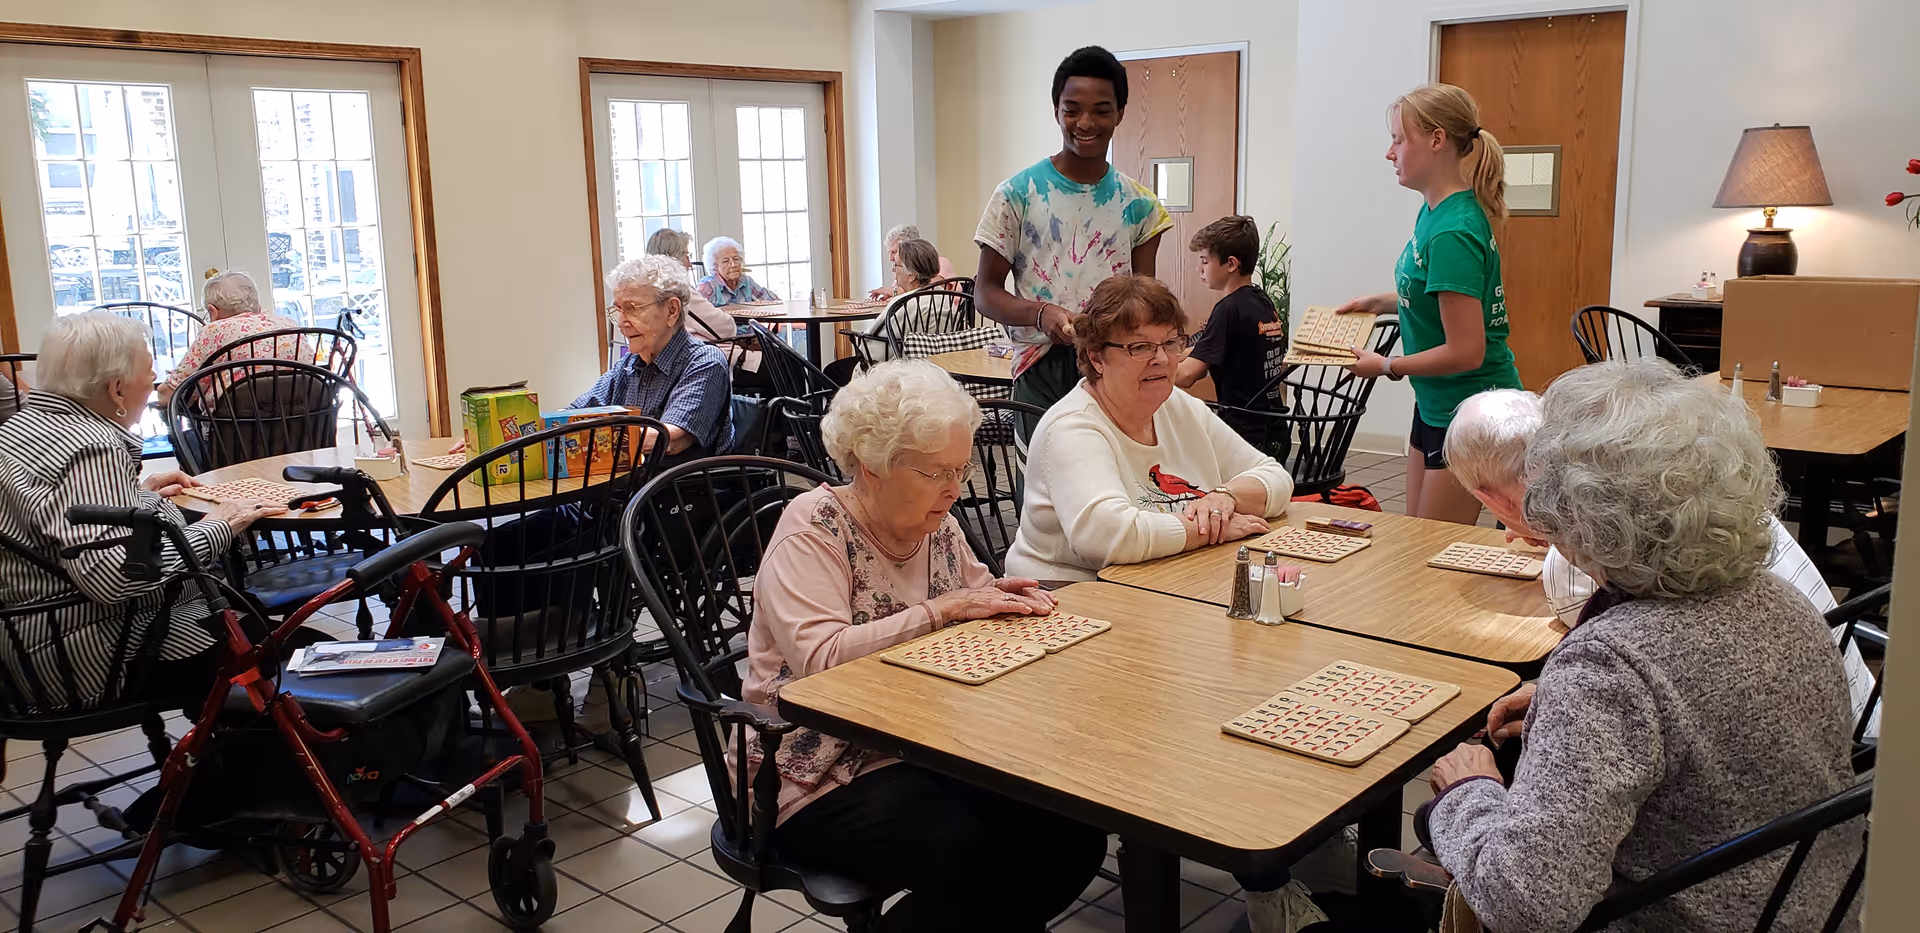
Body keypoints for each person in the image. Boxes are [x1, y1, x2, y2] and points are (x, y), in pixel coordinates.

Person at [1424, 359, 1862, 933]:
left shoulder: (1609, 665)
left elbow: (1525, 906)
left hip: (1687, 915)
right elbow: (1703, 709)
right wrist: (1562, 707)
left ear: (1576, 513)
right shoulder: (1783, 603)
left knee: (1441, 812)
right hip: (1817, 904)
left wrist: (1469, 790)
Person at [745, 360, 1106, 932]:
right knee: (967, 854)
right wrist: (942, 611)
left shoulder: (933, 523)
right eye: (936, 472)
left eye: (959, 470)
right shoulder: (814, 528)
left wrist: (1004, 598)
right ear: (872, 464)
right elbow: (819, 661)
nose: (954, 490)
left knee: (1072, 829)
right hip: (816, 768)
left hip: (927, 742)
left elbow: (973, 591)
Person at [1445, 385, 1881, 739]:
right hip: (1840, 731)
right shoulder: (1740, 540)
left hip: (1805, 755)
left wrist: (1467, 787)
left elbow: (1635, 675)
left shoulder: (1605, 647)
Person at [0, 313, 283, 707]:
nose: (154, 381)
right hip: (90, 654)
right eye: (149, 372)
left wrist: (136, 498)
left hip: (26, 646)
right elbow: (112, 578)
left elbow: (59, 517)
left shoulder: (24, 426)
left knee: (250, 626)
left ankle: (219, 750)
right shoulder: (92, 447)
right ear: (117, 389)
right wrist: (221, 525)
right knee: (287, 649)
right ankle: (219, 760)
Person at [1008, 276, 1292, 581]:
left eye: (1170, 343)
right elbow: (1107, 538)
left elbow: (1275, 478)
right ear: (1096, 356)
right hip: (1069, 598)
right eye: (1140, 347)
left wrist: (1225, 496)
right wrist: (1208, 528)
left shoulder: (1179, 406)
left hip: (1170, 578)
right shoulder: (1071, 428)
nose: (1160, 359)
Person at [1335, 83, 1521, 525]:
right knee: (1415, 537)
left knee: (1430, 552)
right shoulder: (1433, 212)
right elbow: (1436, 298)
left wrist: (1385, 366)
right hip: (1437, 404)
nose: (1389, 152)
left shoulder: (1452, 230)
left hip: (1471, 414)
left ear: (1436, 140)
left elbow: (1466, 349)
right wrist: (1380, 302)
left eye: (1399, 139)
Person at [974, 46, 1172, 431]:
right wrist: (1039, 313)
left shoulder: (1141, 206)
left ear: (1120, 113)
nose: (1086, 122)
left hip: (1115, 366)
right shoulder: (1017, 194)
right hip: (1039, 366)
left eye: (1101, 110)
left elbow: (1145, 300)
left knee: (1113, 479)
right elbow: (985, 293)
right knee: (1041, 483)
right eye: (1072, 109)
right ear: (1056, 112)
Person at [576, 254, 732, 458]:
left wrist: (583, 440)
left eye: (632, 309)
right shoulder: (629, 365)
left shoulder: (704, 362)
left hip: (683, 488)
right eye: (618, 310)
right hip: (632, 485)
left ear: (671, 310)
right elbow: (573, 415)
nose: (622, 322)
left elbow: (668, 439)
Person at [1174, 215, 1287, 411]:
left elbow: (1186, 376)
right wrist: (1173, 357)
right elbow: (1206, 349)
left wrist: (1143, 372)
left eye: (1205, 261)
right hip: (1272, 426)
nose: (1198, 269)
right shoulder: (1261, 301)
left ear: (1231, 264)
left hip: (1243, 432)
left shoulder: (1228, 309)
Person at [156, 271, 304, 407]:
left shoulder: (215, 332)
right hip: (307, 432)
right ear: (258, 307)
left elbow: (169, 396)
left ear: (213, 312)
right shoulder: (289, 325)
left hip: (235, 434)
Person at [645, 228, 764, 382]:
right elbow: (725, 328)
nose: (689, 264)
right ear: (674, 259)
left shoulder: (648, 289)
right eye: (686, 256)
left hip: (674, 360)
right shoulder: (679, 291)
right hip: (703, 360)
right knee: (785, 365)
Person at [868, 223, 958, 299]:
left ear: (912, 248)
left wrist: (894, 292)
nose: (891, 258)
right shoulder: (902, 269)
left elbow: (925, 290)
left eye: (894, 252)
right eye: (889, 252)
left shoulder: (939, 263)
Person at [695, 236, 780, 306]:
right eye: (726, 261)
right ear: (715, 266)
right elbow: (695, 314)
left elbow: (775, 302)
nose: (733, 265)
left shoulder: (746, 282)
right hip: (721, 326)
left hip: (749, 326)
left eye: (736, 259)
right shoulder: (708, 285)